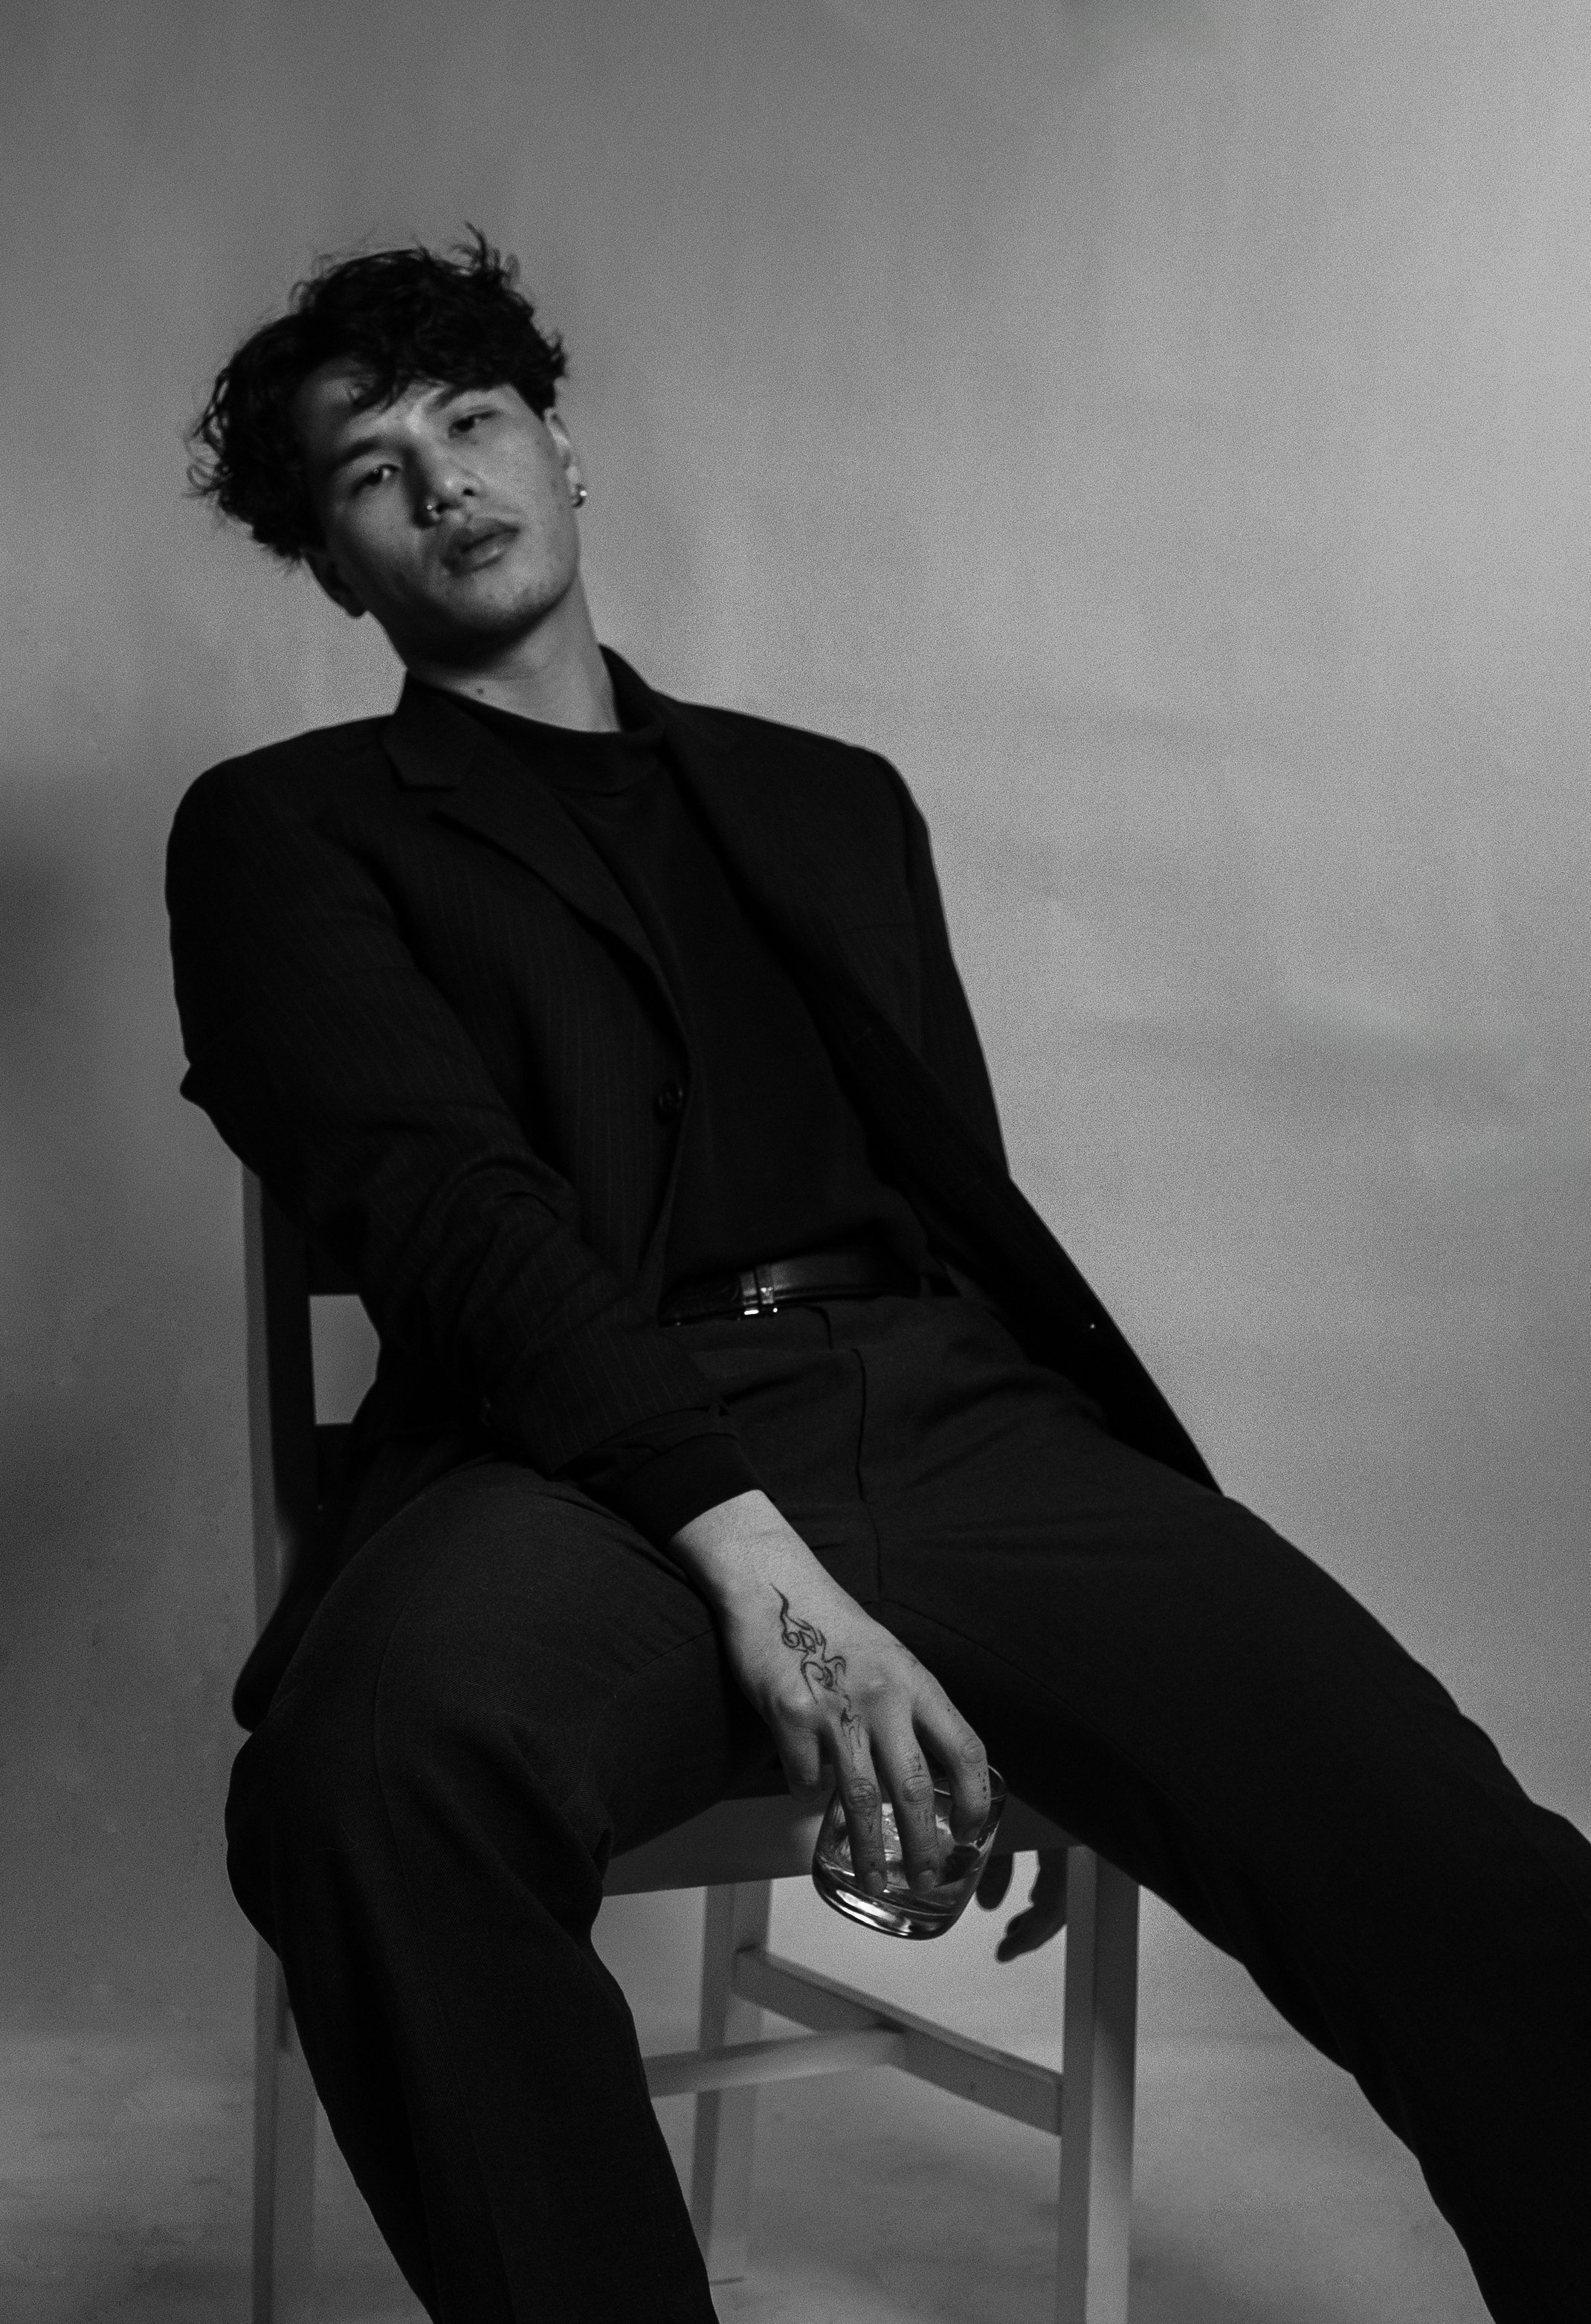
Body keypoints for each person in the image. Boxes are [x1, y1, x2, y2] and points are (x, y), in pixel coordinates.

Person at [168, 234, 1590, 2324]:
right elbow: (450, 1218)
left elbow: (954, 1203)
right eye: (370, 471)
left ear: (558, 446)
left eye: (471, 422)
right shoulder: (283, 832)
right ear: (332, 566)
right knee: (364, 1789)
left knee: (1448, 1851)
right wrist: (788, 1599)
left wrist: (1042, 1686)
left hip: (945, 1417)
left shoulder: (826, 802)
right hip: (570, 1461)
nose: (443, 480)